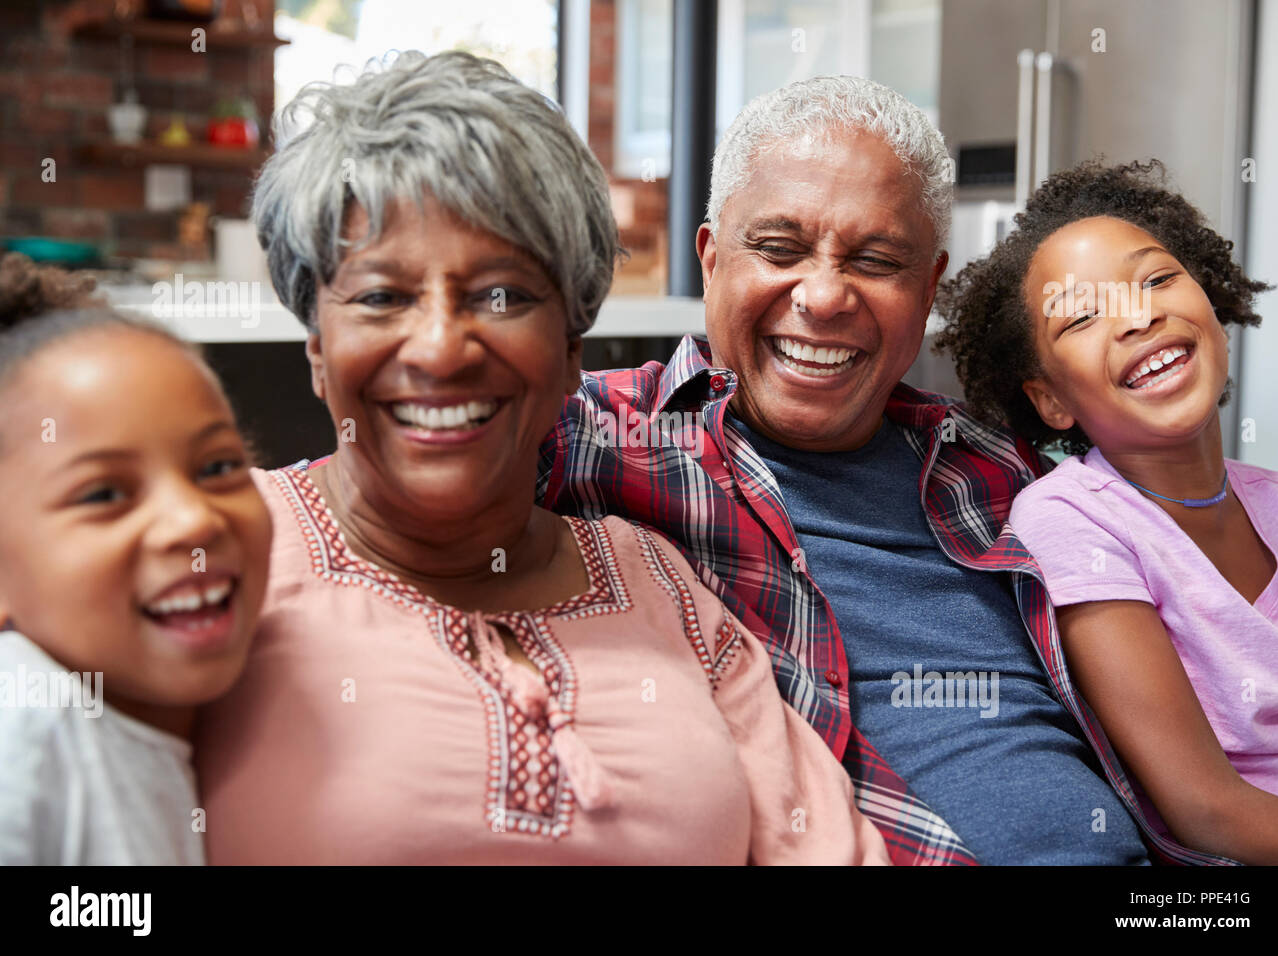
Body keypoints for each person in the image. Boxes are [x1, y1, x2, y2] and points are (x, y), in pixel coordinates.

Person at [193, 51, 891, 865]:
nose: (442, 349)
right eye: (383, 297)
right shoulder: (216, 547)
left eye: (504, 296)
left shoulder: (655, 579)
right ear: (319, 347)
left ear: (570, 353)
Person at [539, 76, 1151, 864]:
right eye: (779, 249)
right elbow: (357, 502)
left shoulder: (1003, 466)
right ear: (711, 259)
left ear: (928, 288)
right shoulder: (606, 435)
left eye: (876, 259)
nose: (823, 297)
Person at [935, 159, 1278, 864]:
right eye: (1083, 316)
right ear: (1051, 401)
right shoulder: (1074, 518)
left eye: (1157, 280)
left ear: (1213, 307)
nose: (1139, 315)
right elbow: (1205, 809)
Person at [0, 253, 272, 864]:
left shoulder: (142, 728)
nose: (194, 518)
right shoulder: (23, 721)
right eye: (103, 494)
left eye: (219, 467)